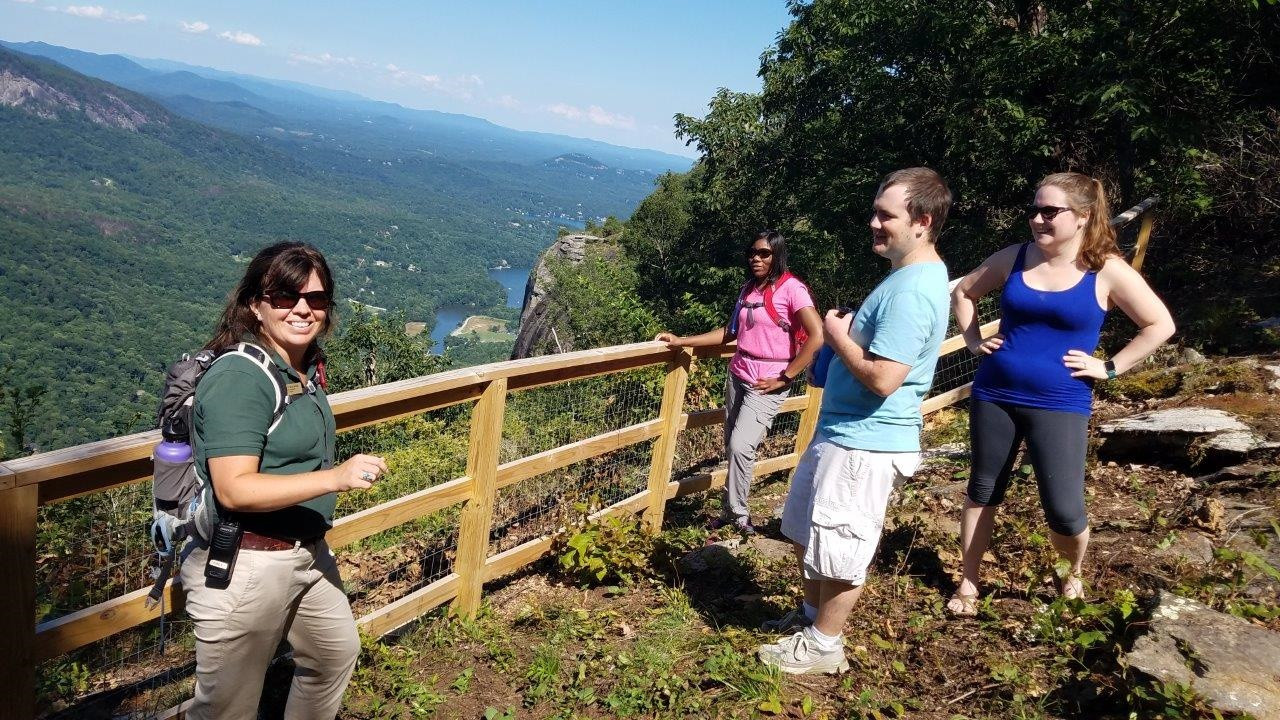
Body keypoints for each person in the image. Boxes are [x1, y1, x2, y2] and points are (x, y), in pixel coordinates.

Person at [946, 172, 1175, 616]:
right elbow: (965, 291)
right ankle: (968, 583)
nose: (1037, 219)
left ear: (1083, 216)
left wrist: (1108, 368)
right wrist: (973, 341)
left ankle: (1071, 576)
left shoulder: (1106, 268)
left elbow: (1160, 325)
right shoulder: (1016, 257)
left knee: (1065, 509)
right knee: (982, 489)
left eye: (1049, 211)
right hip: (995, 392)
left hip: (1061, 401)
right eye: (1034, 209)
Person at [181, 241, 388, 719]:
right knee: (226, 711)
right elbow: (235, 488)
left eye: (315, 299)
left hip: (307, 552)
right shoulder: (241, 376)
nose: (302, 308)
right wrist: (334, 478)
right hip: (247, 564)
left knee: (333, 655)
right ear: (255, 304)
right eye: (284, 296)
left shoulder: (302, 369)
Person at [759, 168, 953, 674]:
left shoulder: (912, 291)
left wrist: (836, 333)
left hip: (866, 441)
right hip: (843, 431)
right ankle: (809, 619)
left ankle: (824, 646)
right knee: (808, 530)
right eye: (875, 212)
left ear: (922, 222)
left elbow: (885, 378)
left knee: (842, 543)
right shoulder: (906, 277)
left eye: (886, 215)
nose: (874, 223)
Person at [655, 230, 823, 533]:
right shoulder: (749, 289)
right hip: (738, 373)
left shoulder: (792, 289)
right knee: (732, 446)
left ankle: (739, 514)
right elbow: (729, 333)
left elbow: (818, 334)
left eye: (764, 253)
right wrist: (683, 340)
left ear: (777, 255)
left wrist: (786, 376)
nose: (756, 258)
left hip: (767, 381)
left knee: (741, 445)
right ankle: (731, 510)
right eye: (752, 253)